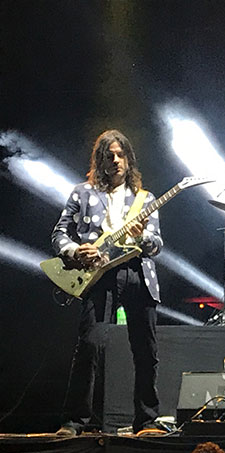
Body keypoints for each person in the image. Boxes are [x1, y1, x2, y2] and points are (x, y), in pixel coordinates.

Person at [52, 129, 163, 437]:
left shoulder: (146, 199)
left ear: (128, 159)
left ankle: (148, 420)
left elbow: (156, 246)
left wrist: (141, 236)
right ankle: (76, 421)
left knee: (145, 349)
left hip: (137, 274)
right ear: (99, 161)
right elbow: (59, 233)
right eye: (108, 155)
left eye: (120, 154)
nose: (115, 160)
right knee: (88, 346)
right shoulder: (82, 193)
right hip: (99, 277)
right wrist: (75, 250)